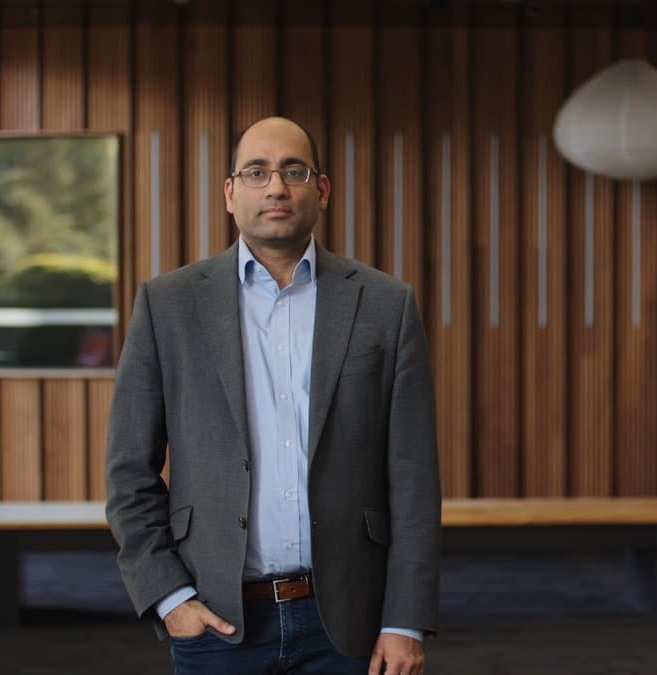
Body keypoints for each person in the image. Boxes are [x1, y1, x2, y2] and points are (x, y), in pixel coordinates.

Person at [105, 116, 440, 675]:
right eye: (256, 172)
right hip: (217, 622)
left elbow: (413, 476)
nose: (277, 187)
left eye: (294, 171)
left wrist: (403, 620)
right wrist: (169, 598)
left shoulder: (386, 305)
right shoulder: (169, 306)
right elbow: (128, 471)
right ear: (231, 193)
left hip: (349, 623)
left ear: (322, 189)